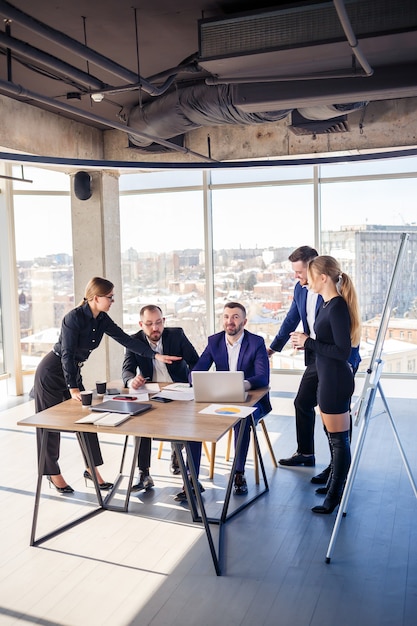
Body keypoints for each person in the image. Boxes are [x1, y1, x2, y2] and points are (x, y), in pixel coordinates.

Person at [33, 277, 181, 494]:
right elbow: (66, 354)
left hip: (73, 371)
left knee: (86, 420)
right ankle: (53, 474)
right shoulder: (73, 318)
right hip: (52, 372)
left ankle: (92, 470)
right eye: (110, 297)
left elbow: (126, 340)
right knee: (50, 425)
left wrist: (155, 356)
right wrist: (73, 387)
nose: (113, 300)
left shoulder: (102, 319)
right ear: (96, 298)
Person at [268, 246, 360, 487]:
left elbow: (346, 333)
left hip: (337, 363)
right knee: (303, 402)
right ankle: (306, 453)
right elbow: (291, 318)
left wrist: (348, 364)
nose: (297, 278)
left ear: (314, 269)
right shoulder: (301, 289)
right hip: (317, 357)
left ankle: (336, 470)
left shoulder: (330, 291)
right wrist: (274, 347)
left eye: (300, 272)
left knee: (335, 419)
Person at [174, 301, 271, 502]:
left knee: (242, 422)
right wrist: (196, 379)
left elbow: (263, 378)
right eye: (226, 317)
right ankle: (192, 479)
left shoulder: (256, 342)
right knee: (196, 421)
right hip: (220, 398)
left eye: (235, 317)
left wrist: (242, 384)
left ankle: (239, 474)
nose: (230, 321)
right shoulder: (214, 341)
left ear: (244, 321)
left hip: (252, 400)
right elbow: (197, 370)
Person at [290, 255, 361, 514]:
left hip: (335, 380)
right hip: (327, 377)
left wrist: (308, 341)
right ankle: (333, 485)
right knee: (335, 440)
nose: (305, 280)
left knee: (339, 441)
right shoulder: (326, 304)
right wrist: (307, 342)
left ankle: (334, 496)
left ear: (322, 277)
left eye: (309, 275)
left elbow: (343, 351)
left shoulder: (337, 306)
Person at [121, 304, 199, 490]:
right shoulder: (134, 341)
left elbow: (195, 362)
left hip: (179, 391)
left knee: (183, 419)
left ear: (163, 321)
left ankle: (177, 453)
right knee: (140, 423)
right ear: (141, 324)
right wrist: (132, 381)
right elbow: (126, 370)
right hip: (151, 394)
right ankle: (144, 474)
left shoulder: (177, 335)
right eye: (149, 324)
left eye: (158, 323)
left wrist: (190, 382)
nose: (155, 328)